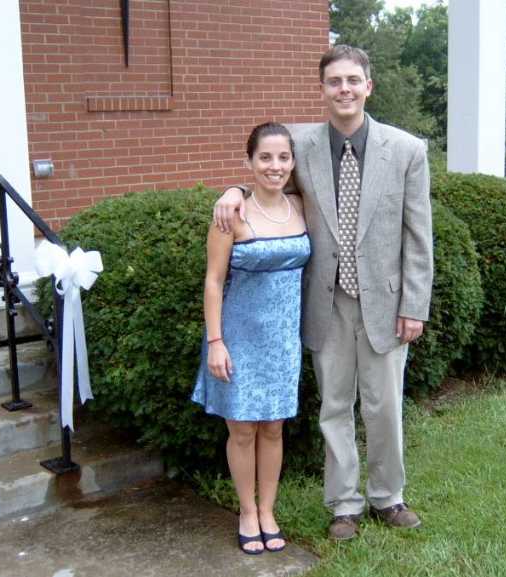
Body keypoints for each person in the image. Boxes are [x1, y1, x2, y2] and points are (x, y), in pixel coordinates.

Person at [213, 45, 433, 540]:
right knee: (334, 406)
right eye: (334, 81)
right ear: (322, 90)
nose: (344, 89)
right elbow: (265, 169)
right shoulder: (300, 143)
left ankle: (388, 497)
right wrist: (233, 191)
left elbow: (419, 235)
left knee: (383, 406)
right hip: (325, 302)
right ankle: (344, 505)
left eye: (353, 80)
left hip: (386, 303)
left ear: (368, 86)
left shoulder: (406, 150)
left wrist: (414, 305)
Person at [192, 122, 311, 554]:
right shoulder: (231, 216)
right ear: (249, 162)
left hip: (283, 341)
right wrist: (215, 342)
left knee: (274, 428)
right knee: (242, 430)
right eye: (265, 157)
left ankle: (268, 511)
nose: (274, 166)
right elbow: (213, 282)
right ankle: (246, 511)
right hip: (238, 338)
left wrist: (234, 188)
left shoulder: (302, 206)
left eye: (283, 157)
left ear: (292, 163)